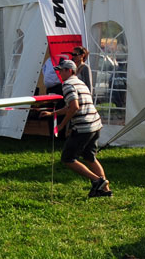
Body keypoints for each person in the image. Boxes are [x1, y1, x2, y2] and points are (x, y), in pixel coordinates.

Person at [38, 59, 110, 198]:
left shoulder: (68, 84)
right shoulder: (79, 82)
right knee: (90, 157)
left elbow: (74, 107)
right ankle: (105, 190)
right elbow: (72, 106)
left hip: (84, 127)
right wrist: (53, 114)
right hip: (95, 124)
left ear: (69, 71)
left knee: (67, 158)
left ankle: (97, 181)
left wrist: (61, 125)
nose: (59, 73)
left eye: (61, 70)